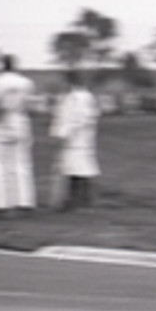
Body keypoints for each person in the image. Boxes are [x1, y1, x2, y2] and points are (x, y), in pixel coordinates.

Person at [0, 54, 37, 217]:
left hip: (0, 121)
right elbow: (31, 104)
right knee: (22, 163)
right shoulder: (26, 83)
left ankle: (0, 204)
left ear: (1, 65)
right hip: (20, 119)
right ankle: (25, 202)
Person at [51, 69, 101, 210]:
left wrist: (63, 133)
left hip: (77, 138)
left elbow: (78, 119)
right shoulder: (83, 97)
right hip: (81, 138)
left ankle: (80, 201)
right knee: (75, 169)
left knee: (78, 169)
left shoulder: (77, 98)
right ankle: (77, 200)